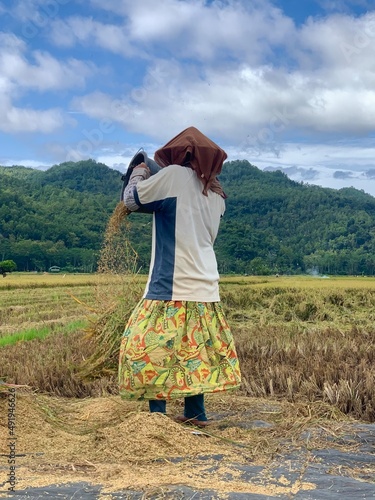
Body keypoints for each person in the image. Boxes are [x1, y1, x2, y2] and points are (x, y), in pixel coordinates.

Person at [118, 126, 241, 427]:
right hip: (205, 287)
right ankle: (195, 414)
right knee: (193, 352)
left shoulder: (173, 176)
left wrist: (139, 171)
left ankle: (157, 420)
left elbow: (131, 201)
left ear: (180, 156)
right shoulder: (217, 194)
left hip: (170, 284)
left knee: (147, 348)